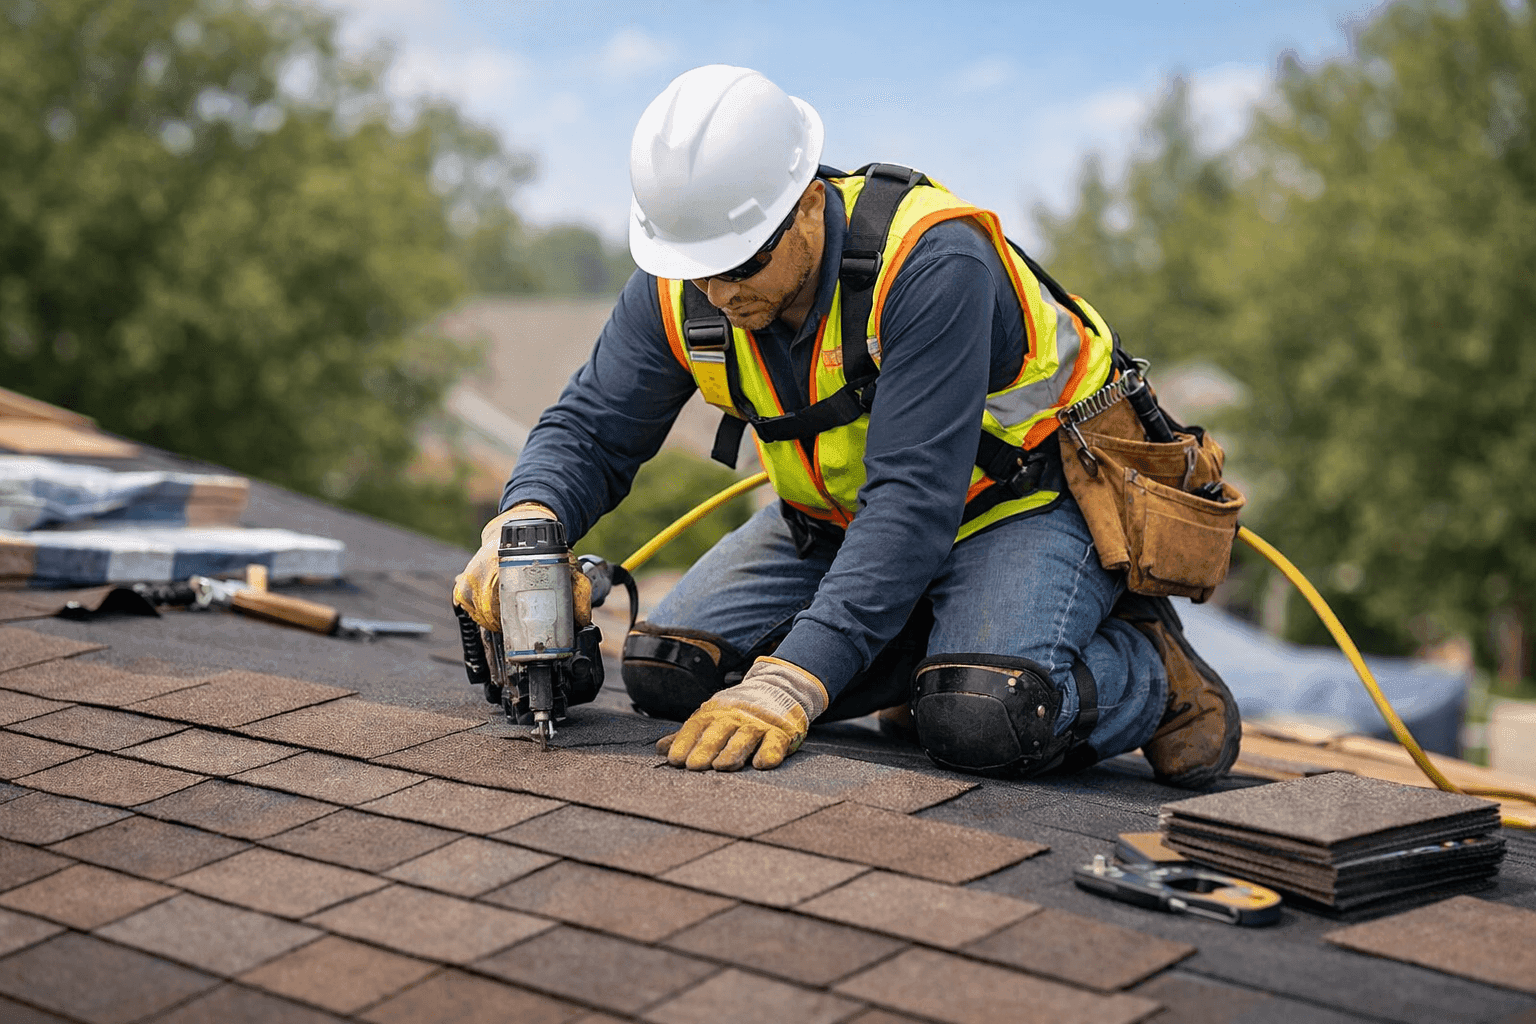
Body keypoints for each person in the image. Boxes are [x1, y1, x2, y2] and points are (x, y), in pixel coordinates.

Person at [454, 64, 1239, 786]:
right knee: (669, 670)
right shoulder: (683, 281)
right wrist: (524, 520)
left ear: (806, 204)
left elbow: (910, 505)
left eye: (742, 264)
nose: (720, 295)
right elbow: (592, 428)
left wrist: (791, 684)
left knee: (983, 715)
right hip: (831, 527)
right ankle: (938, 655)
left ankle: (1150, 671)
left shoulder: (932, 263)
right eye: (699, 270)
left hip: (1017, 508)